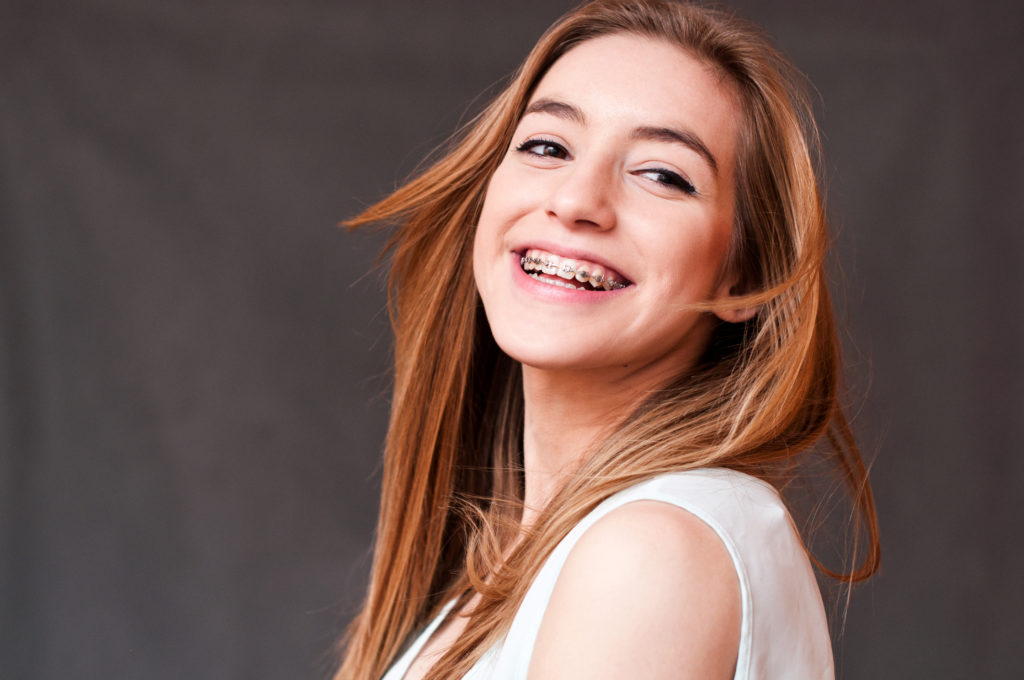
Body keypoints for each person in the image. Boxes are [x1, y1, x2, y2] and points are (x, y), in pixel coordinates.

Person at [336, 1, 880, 678]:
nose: (576, 200)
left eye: (661, 174)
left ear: (748, 276)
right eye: (546, 146)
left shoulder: (651, 553)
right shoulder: (515, 565)